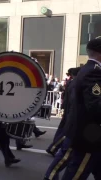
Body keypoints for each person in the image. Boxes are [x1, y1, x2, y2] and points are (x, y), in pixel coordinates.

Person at [61, 38, 101, 179]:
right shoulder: (94, 72)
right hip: (90, 137)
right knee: (76, 174)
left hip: (88, 134)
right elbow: (96, 106)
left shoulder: (87, 69)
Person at [43, 67, 80, 180]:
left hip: (70, 113)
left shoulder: (73, 83)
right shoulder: (74, 84)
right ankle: (53, 148)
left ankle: (53, 149)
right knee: (65, 139)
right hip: (72, 116)